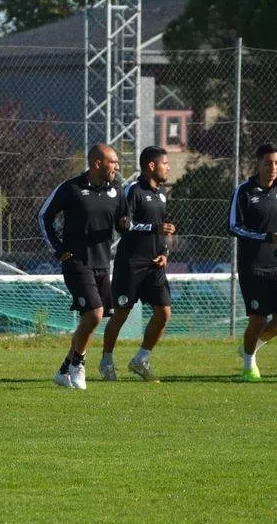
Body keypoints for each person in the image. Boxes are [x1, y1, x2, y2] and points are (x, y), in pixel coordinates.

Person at [39, 143, 126, 390]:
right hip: (76, 262)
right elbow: (44, 216)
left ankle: (64, 369)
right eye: (113, 162)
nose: (117, 167)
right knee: (94, 314)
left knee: (90, 319)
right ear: (97, 163)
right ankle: (79, 364)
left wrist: (125, 224)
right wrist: (57, 248)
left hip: (102, 264)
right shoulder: (71, 189)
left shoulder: (116, 191)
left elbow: (122, 222)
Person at [101, 145, 176, 383]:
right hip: (130, 264)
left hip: (154, 265)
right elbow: (123, 226)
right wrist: (154, 228)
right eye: (165, 163)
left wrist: (164, 252)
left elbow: (161, 229)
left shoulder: (161, 195)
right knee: (120, 315)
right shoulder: (133, 190)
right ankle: (106, 362)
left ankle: (141, 359)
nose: (168, 168)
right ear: (151, 166)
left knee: (163, 313)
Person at [228, 143, 277, 382]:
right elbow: (233, 227)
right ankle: (249, 365)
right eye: (269, 163)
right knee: (258, 319)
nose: (274, 167)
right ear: (258, 164)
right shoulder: (244, 191)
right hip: (252, 265)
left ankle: (251, 346)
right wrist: (263, 236)